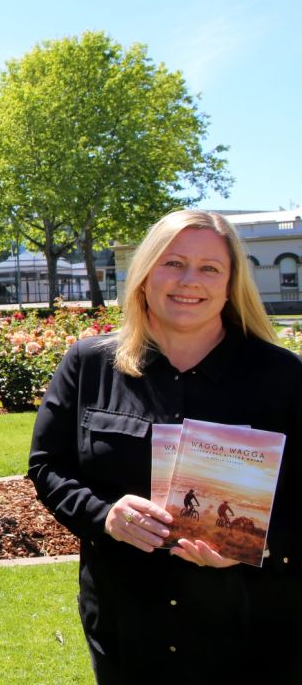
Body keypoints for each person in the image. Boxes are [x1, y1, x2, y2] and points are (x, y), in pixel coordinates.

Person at [29, 209, 301, 683]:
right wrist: (104, 516)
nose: (188, 281)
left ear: (231, 282)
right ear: (145, 272)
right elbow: (49, 466)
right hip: (126, 625)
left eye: (209, 268)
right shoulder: (88, 364)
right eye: (172, 263)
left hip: (253, 625)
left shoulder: (284, 378)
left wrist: (255, 546)